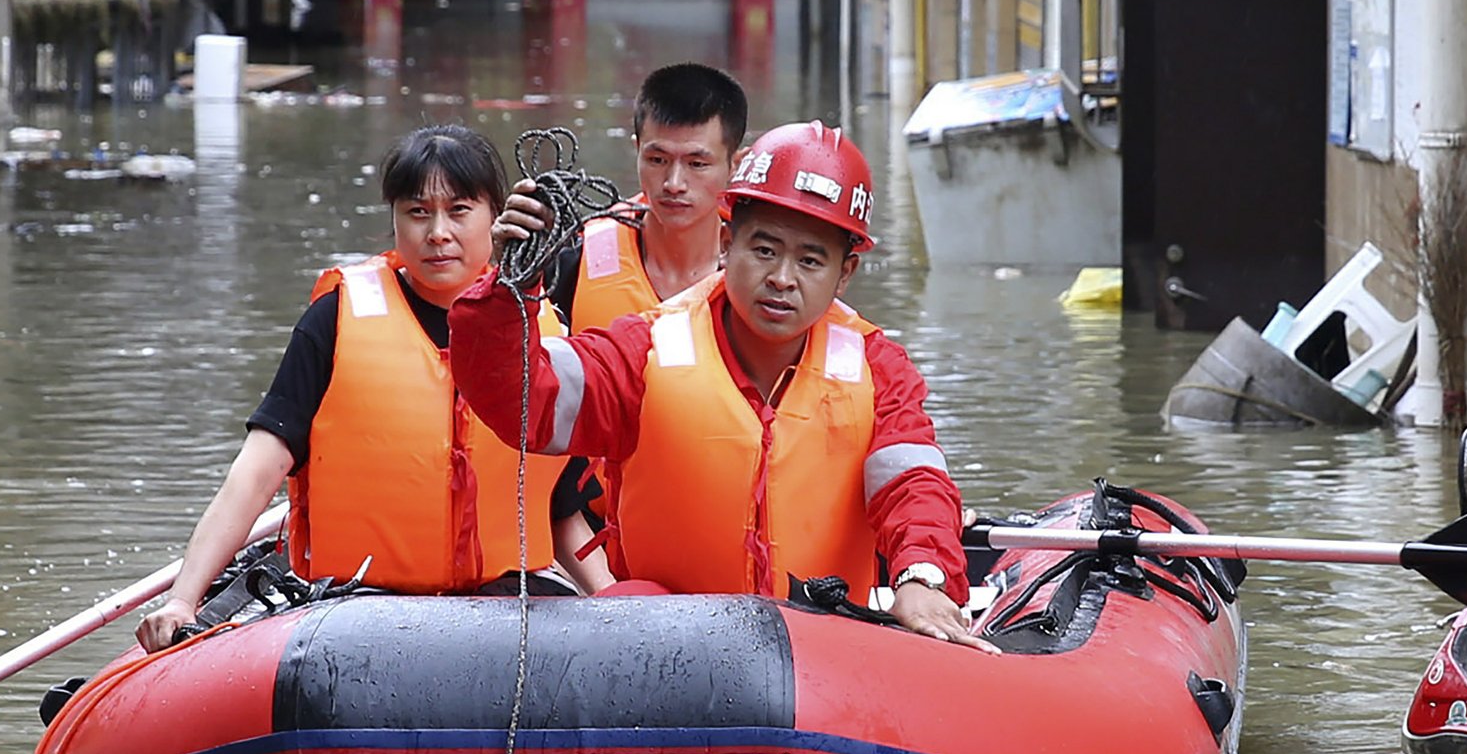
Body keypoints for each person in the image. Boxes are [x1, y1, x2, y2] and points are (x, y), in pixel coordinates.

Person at [452, 121, 989, 649]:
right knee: (629, 604)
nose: (782, 277)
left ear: (843, 274)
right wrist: (508, 287)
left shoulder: (880, 369)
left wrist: (922, 578)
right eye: (764, 250)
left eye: (809, 260)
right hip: (668, 643)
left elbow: (913, 484)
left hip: (824, 651)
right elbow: (522, 401)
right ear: (727, 242)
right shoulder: (644, 349)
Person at [136, 126, 604, 650]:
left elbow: (562, 512)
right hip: (357, 610)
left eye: (459, 210)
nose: (438, 233)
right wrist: (184, 598)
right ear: (395, 219)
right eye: (418, 212)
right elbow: (256, 471)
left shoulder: (537, 330)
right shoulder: (335, 319)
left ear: (495, 216)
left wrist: (615, 612)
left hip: (501, 607)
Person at [532, 62, 747, 331]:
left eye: (697, 164)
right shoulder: (574, 258)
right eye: (657, 160)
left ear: (735, 165)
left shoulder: (760, 272)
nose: (674, 183)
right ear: (638, 150)